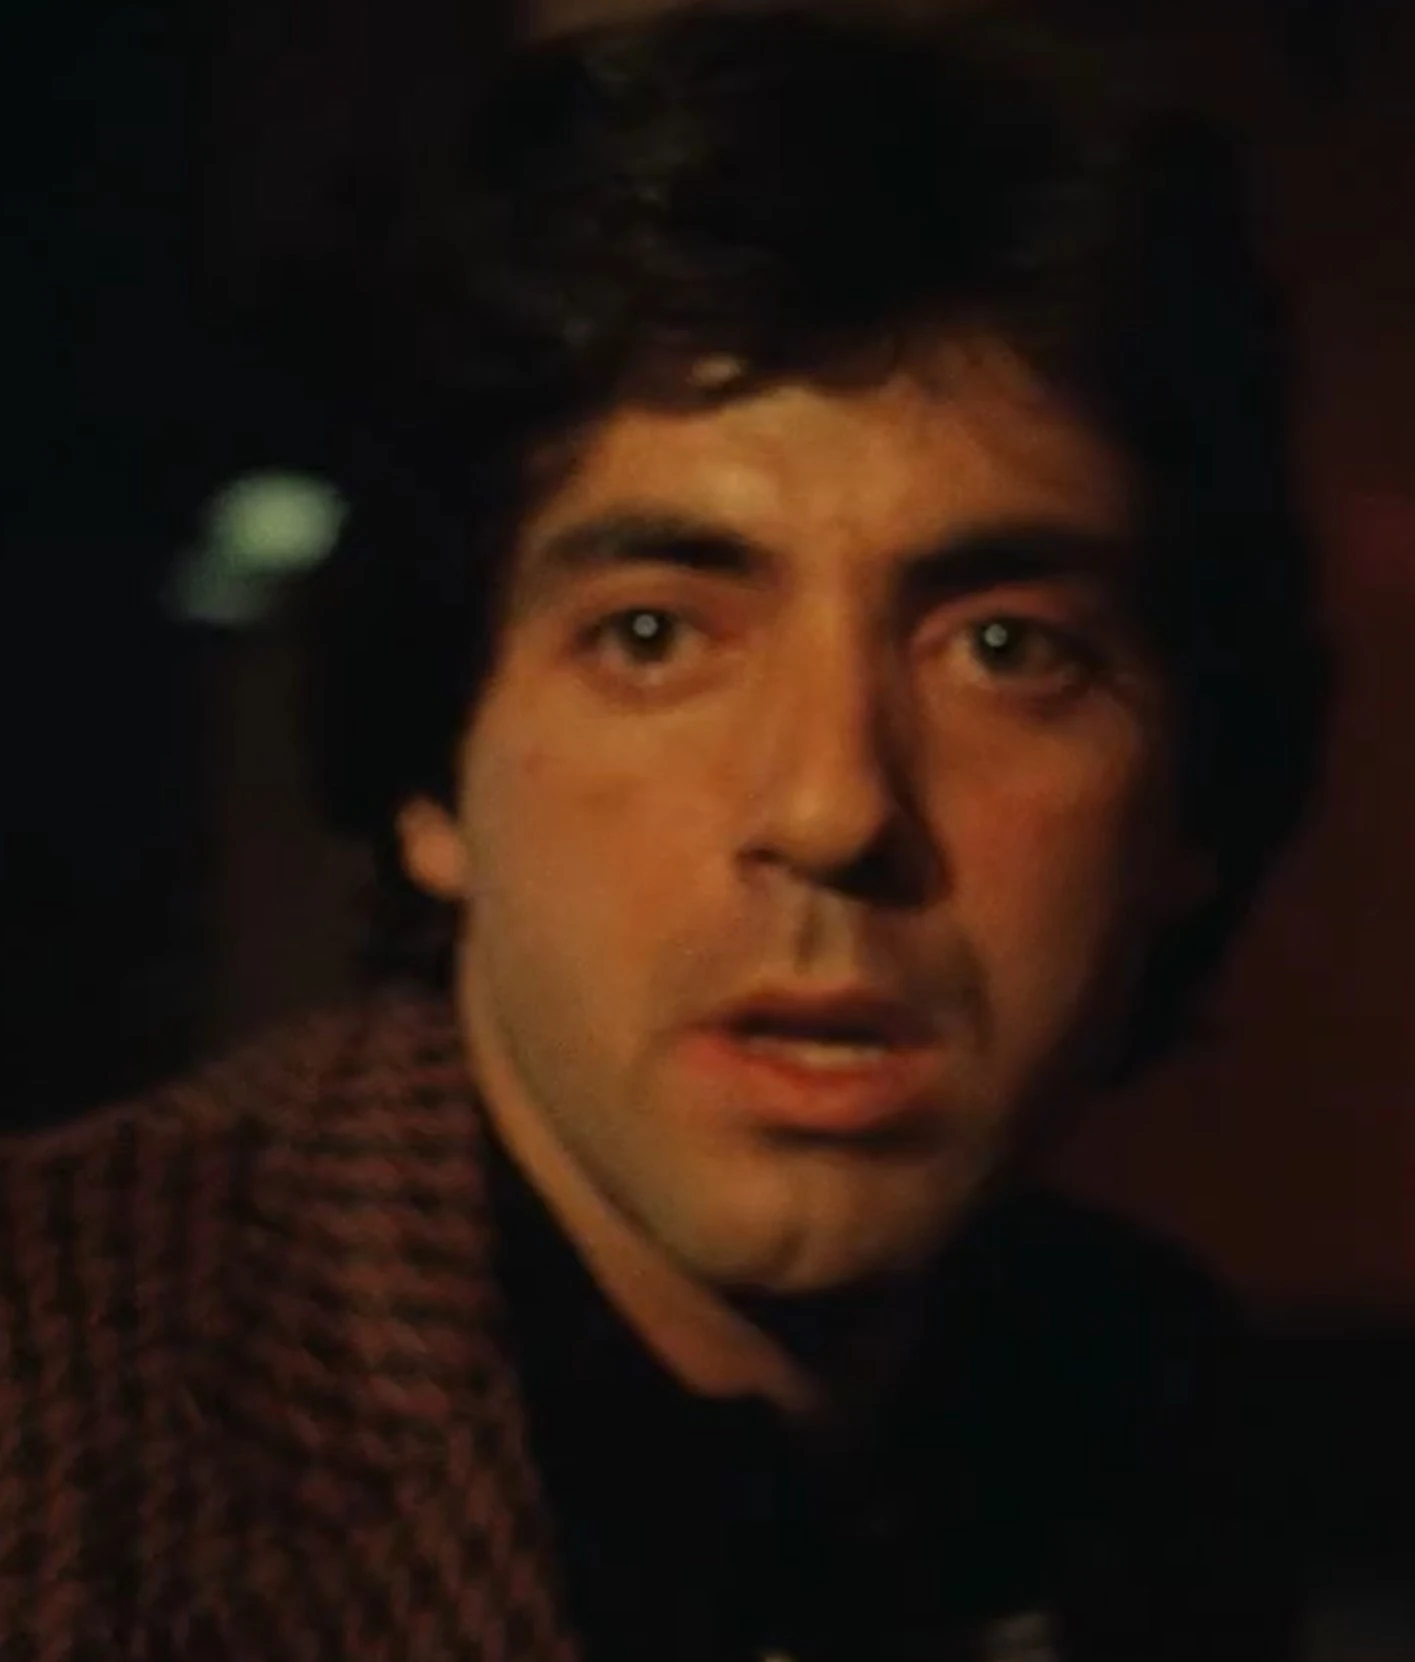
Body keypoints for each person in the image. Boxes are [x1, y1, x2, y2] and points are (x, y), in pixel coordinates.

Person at [0, 3, 1330, 1657]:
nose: (831, 805)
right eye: (653, 635)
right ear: (432, 773)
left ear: (1190, 801)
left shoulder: (1151, 1415)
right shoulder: (50, 1415)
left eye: (1003, 648)